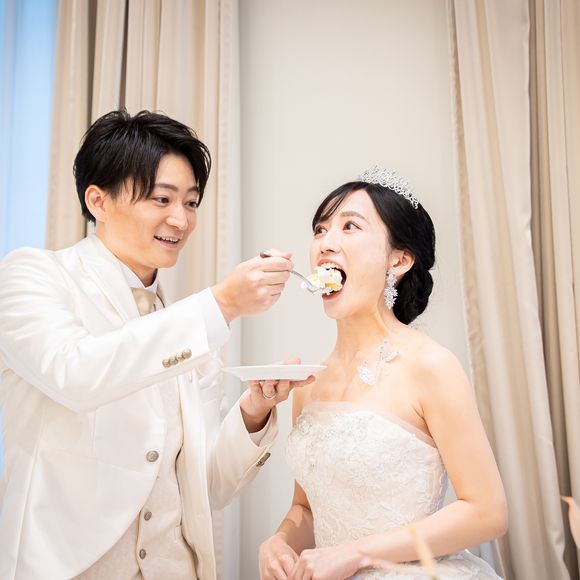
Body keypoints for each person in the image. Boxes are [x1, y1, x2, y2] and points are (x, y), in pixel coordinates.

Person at [0, 109, 309, 580]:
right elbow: (75, 374)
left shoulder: (185, 324)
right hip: (65, 566)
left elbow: (206, 487)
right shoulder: (34, 275)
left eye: (191, 202)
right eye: (161, 199)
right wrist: (222, 304)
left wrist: (254, 412)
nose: (180, 219)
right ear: (98, 201)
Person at [258, 167, 508, 580]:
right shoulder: (309, 384)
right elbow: (307, 508)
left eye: (349, 226)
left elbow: (487, 512)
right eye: (320, 230)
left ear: (400, 259)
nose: (325, 243)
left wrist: (357, 554)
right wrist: (280, 541)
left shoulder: (430, 366)